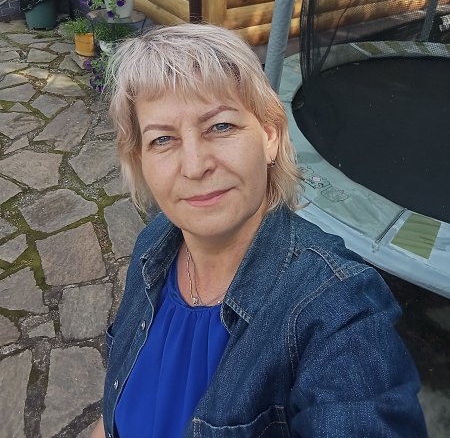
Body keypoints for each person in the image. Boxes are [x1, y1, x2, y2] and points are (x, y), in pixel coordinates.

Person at [91, 24, 427, 438]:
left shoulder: (337, 306)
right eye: (162, 139)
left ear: (269, 135)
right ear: (140, 160)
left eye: (220, 127)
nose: (194, 166)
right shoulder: (154, 247)